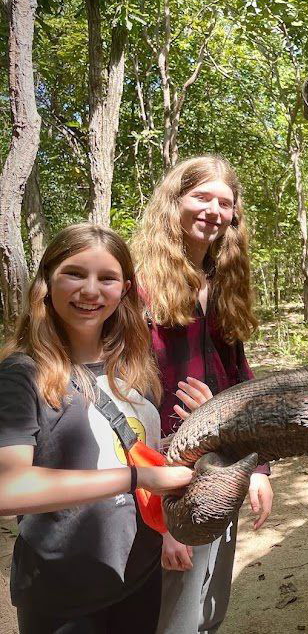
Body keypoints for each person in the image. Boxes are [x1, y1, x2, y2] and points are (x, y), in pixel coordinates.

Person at [0, 224, 195, 634]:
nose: (91, 290)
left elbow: (145, 454)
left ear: (124, 289)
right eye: (74, 273)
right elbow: (9, 489)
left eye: (107, 278)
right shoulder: (21, 376)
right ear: (46, 281)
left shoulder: (132, 369)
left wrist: (168, 532)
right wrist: (138, 478)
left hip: (138, 575)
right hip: (64, 594)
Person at [132, 155, 272, 634]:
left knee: (209, 607)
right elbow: (124, 404)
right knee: (176, 615)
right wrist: (163, 518)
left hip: (219, 462)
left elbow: (239, 382)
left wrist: (256, 466)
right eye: (201, 197)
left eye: (224, 202)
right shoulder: (137, 289)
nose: (213, 210)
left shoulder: (224, 284)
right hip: (166, 472)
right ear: (175, 202)